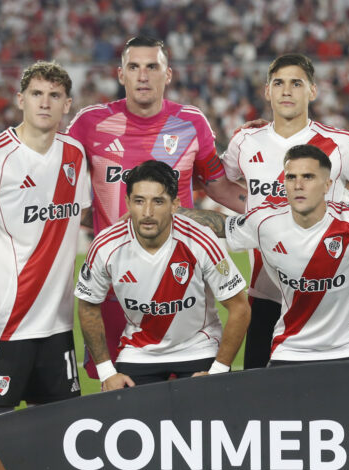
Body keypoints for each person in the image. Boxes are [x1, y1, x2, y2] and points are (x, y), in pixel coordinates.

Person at [68, 35, 247, 378]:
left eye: (152, 67)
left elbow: (220, 187)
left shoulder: (192, 122)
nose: (143, 76)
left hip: (182, 279)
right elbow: (59, 180)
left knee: (194, 394)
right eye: (134, 67)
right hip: (117, 283)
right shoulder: (89, 124)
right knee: (117, 387)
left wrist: (274, 207)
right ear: (120, 74)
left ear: (168, 74)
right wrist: (99, 223)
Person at [222, 53, 349, 369]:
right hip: (264, 292)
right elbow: (218, 184)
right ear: (267, 91)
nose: (287, 91)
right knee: (261, 393)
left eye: (296, 83)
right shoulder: (245, 141)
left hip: (326, 294)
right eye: (279, 83)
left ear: (312, 91)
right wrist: (249, 213)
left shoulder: (341, 143)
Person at [181, 144, 349, 363]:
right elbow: (222, 225)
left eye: (308, 177)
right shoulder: (265, 223)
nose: (298, 185)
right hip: (290, 351)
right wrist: (171, 211)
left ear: (327, 185)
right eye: (291, 177)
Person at [0, 61, 89, 418]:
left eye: (54, 95)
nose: (44, 102)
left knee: (60, 431)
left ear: (67, 104)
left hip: (58, 325)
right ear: (20, 100)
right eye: (36, 94)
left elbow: (85, 216)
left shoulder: (75, 154)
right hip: (3, 324)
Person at [75, 160, 250, 389]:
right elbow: (88, 305)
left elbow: (240, 307)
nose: (147, 212)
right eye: (139, 201)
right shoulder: (106, 245)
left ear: (174, 205)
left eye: (158, 201)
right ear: (128, 202)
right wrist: (107, 373)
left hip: (199, 346)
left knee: (206, 406)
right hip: (139, 351)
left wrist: (218, 371)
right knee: (124, 408)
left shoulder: (200, 240)